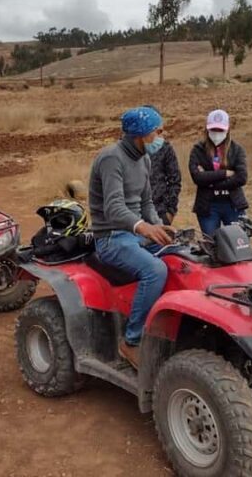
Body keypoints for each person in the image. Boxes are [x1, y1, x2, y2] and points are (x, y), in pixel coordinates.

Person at [89, 106, 173, 368]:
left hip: (136, 233)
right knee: (156, 270)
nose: (162, 135)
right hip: (112, 237)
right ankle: (131, 341)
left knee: (183, 259)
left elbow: (146, 201)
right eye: (158, 131)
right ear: (142, 135)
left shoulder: (143, 159)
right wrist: (143, 228)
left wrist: (160, 227)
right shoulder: (111, 158)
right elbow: (114, 209)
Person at [188, 109, 249, 236]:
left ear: (227, 130)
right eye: (213, 130)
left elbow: (241, 178)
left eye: (220, 130)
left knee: (238, 242)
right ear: (207, 129)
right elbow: (197, 178)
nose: (216, 133)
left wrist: (210, 182)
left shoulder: (237, 150)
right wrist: (225, 173)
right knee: (211, 245)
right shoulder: (198, 150)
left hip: (233, 205)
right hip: (208, 206)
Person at [143, 105, 182, 226]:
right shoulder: (126, 151)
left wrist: (170, 211)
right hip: (133, 215)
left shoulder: (165, 148)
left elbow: (174, 180)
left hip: (159, 212)